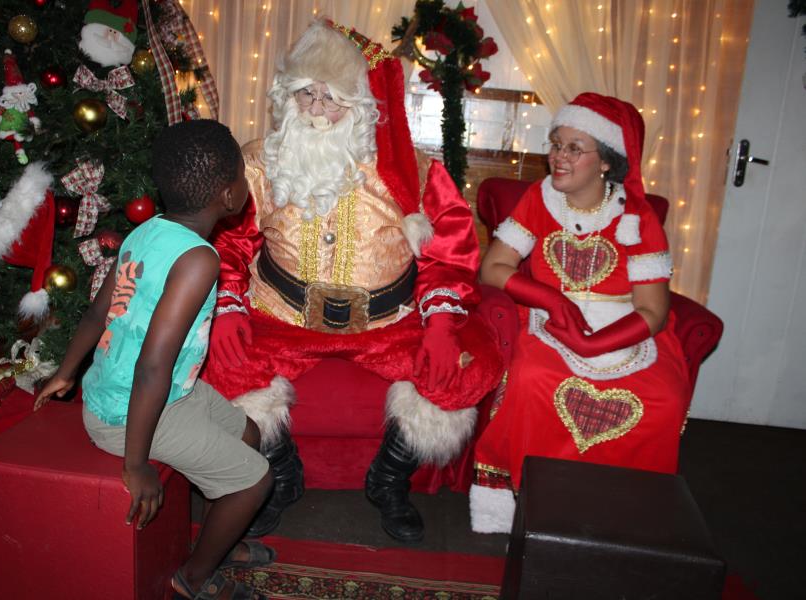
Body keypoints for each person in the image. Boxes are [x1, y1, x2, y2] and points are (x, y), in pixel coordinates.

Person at [201, 20, 503, 543]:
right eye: (306, 94)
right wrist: (227, 307)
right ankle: (280, 477)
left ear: (360, 103)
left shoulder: (411, 169)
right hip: (281, 315)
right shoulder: (258, 163)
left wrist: (440, 325)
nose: (317, 110)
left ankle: (388, 481)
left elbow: (450, 255)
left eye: (332, 98)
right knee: (209, 359)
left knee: (468, 368)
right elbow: (227, 241)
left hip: (388, 321)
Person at [35, 120, 273, 600]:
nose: (248, 185)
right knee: (254, 482)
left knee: (250, 433)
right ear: (229, 195)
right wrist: (135, 462)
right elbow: (151, 367)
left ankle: (216, 537)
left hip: (157, 390)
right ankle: (194, 579)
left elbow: (100, 311)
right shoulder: (199, 260)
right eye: (244, 176)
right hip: (133, 410)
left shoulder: (148, 229)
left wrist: (65, 374)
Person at [469, 93, 691, 534]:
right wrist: (554, 300)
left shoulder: (638, 216)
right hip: (547, 319)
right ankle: (532, 502)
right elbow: (492, 268)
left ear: (606, 161)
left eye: (574, 147)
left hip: (624, 325)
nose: (558, 157)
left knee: (664, 398)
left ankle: (621, 512)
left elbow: (653, 311)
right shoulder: (540, 198)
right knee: (532, 379)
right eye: (556, 144)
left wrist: (592, 343)